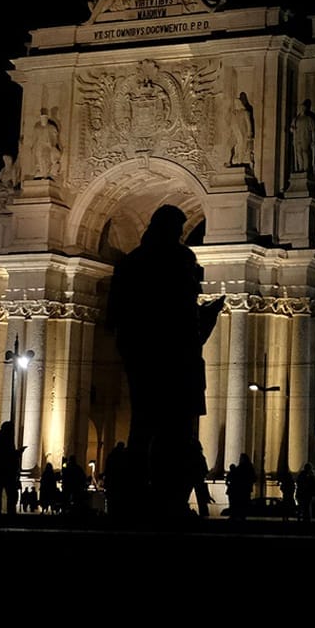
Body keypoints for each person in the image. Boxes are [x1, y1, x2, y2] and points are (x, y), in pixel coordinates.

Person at [107, 203, 225, 522]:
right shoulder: (181, 259)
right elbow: (184, 318)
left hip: (142, 358)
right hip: (175, 360)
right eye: (177, 229)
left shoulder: (132, 262)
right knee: (176, 432)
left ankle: (136, 498)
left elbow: (115, 315)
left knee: (143, 427)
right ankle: (169, 500)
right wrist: (206, 316)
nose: (179, 234)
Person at [289, 100, 315, 180]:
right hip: (297, 139)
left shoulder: (309, 119)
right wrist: (292, 129)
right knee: (299, 153)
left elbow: (313, 130)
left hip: (306, 138)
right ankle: (300, 168)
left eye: (304, 107)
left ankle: (306, 168)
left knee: (305, 152)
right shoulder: (296, 118)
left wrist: (314, 140)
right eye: (301, 107)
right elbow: (291, 128)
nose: (302, 109)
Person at [226, 92, 255, 170]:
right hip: (236, 133)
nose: (236, 105)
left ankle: (240, 160)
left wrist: (250, 132)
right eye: (235, 104)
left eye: (237, 103)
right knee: (234, 146)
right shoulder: (235, 113)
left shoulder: (245, 112)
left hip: (243, 132)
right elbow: (230, 123)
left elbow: (248, 123)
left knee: (242, 145)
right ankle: (234, 159)